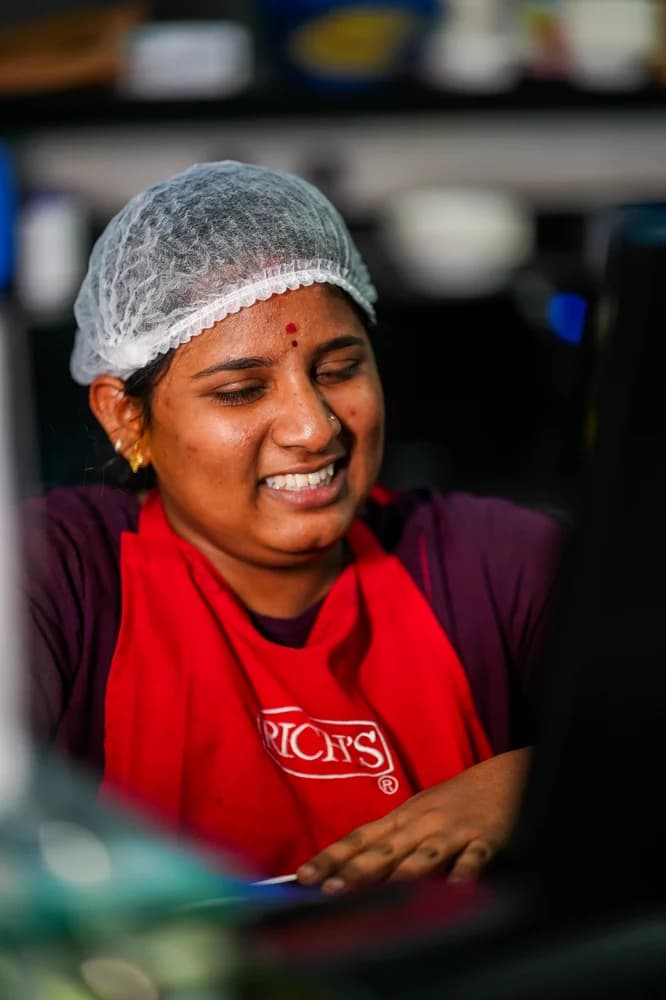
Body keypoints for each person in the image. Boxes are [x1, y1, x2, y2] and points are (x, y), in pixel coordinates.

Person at [22, 160, 565, 894]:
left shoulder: (492, 566)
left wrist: (527, 782)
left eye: (340, 369)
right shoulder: (58, 574)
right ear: (126, 416)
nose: (314, 428)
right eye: (242, 391)